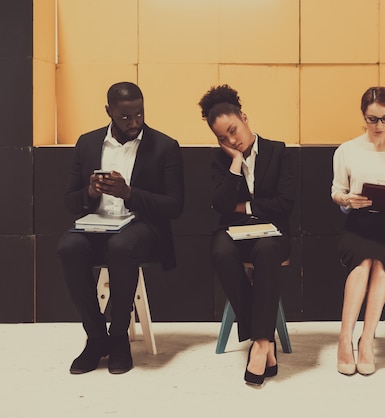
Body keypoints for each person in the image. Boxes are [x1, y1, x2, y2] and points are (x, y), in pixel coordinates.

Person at [57, 81, 184, 374]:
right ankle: (96, 337)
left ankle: (118, 339)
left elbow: (175, 206)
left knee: (121, 246)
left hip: (144, 229)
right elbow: (69, 200)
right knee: (68, 247)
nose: (134, 122)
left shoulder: (165, 146)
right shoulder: (87, 143)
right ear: (109, 111)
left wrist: (129, 193)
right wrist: (90, 192)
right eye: (126, 117)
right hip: (95, 227)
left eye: (139, 114)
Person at [199, 84, 295, 386]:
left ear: (244, 117)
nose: (231, 139)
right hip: (233, 231)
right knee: (220, 253)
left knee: (267, 251)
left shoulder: (277, 151)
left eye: (233, 130)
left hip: (272, 231)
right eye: (222, 137)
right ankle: (264, 341)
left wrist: (245, 205)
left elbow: (285, 202)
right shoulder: (220, 159)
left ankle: (259, 343)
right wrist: (236, 164)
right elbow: (219, 204)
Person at [331, 86, 385, 376]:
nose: (379, 126)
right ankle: (345, 339)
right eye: (372, 119)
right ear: (363, 116)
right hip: (357, 226)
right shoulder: (347, 150)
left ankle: (366, 339)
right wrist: (346, 199)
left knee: (380, 264)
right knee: (364, 261)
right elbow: (337, 191)